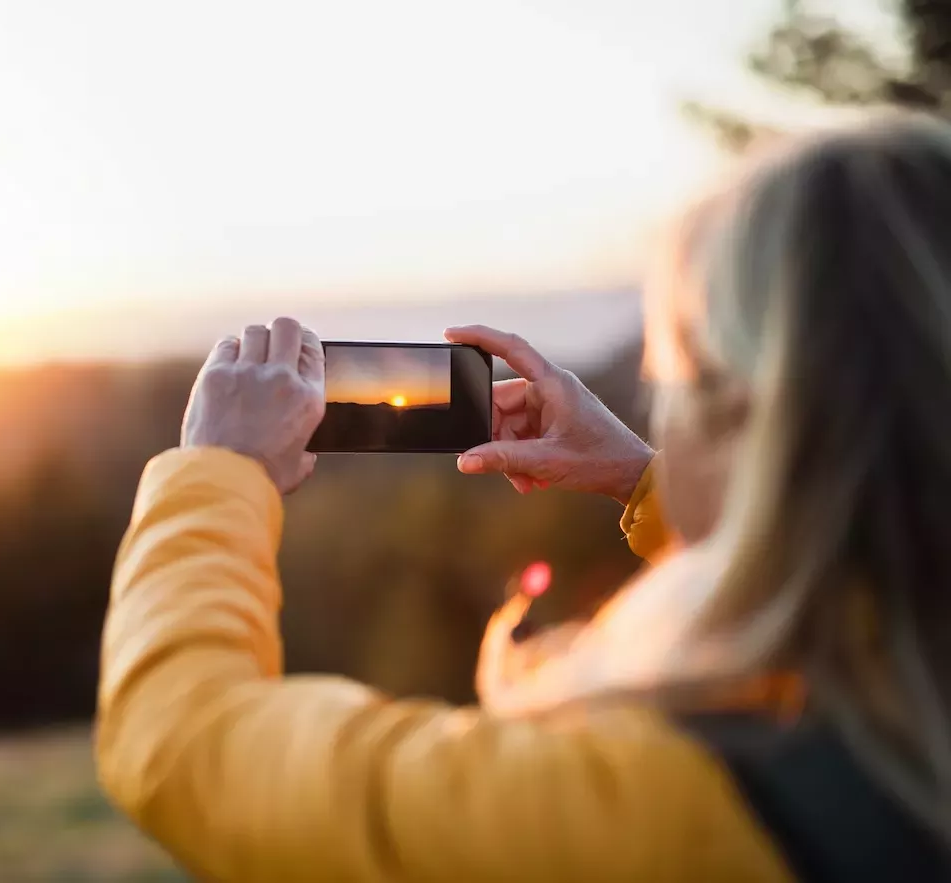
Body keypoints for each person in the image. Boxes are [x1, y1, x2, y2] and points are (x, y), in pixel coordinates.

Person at [95, 112, 951, 881]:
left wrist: (218, 468)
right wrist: (645, 478)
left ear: (739, 414)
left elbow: (181, 744)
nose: (664, 409)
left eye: (672, 382)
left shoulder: (655, 803)